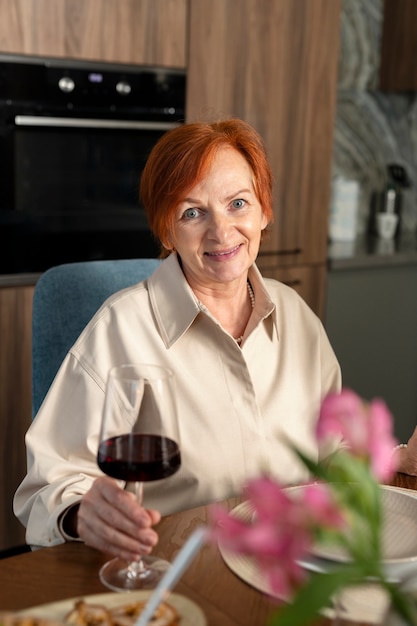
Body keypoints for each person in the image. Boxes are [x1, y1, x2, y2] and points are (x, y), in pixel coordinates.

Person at [13, 118, 416, 563]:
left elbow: (328, 449)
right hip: (174, 573)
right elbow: (50, 487)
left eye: (238, 204)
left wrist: (393, 458)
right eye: (192, 212)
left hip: (292, 566)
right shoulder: (120, 329)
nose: (222, 232)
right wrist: (79, 513)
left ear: (265, 211)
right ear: (166, 233)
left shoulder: (296, 315)